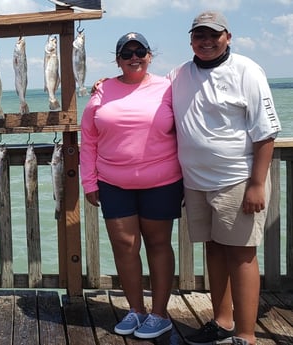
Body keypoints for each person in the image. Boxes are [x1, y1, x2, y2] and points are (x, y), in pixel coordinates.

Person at [169, 11, 281, 345]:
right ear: (190, 40)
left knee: (242, 254)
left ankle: (246, 336)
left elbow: (266, 133)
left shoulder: (247, 70)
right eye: (199, 36)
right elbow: (146, 92)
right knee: (214, 251)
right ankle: (223, 321)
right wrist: (104, 84)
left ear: (227, 37)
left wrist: (257, 184)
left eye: (213, 35)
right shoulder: (178, 75)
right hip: (196, 183)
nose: (206, 41)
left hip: (237, 180)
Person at [80, 32, 183, 339]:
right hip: (113, 183)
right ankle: (136, 309)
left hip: (162, 182)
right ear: (118, 59)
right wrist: (89, 181)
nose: (134, 57)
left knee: (158, 244)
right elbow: (89, 140)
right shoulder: (102, 90)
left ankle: (160, 314)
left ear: (150, 55)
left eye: (140, 51)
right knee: (125, 247)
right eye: (127, 53)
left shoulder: (169, 88)